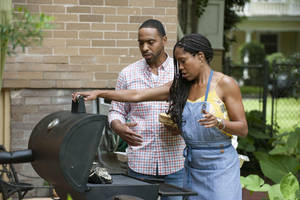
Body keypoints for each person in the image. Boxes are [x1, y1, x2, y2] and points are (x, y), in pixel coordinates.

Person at [73, 33, 248, 200]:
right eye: (177, 62)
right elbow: (137, 95)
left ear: (200, 57)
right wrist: (99, 93)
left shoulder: (225, 84)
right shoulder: (181, 86)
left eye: (183, 61)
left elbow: (242, 128)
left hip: (220, 165)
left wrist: (219, 122)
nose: (179, 67)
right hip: (192, 166)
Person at [87, 19, 186, 200]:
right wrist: (117, 126)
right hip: (141, 161)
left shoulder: (180, 71)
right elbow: (116, 110)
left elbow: (191, 108)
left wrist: (181, 125)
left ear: (164, 40)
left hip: (175, 163)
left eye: (150, 42)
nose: (145, 47)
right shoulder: (127, 73)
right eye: (141, 43)